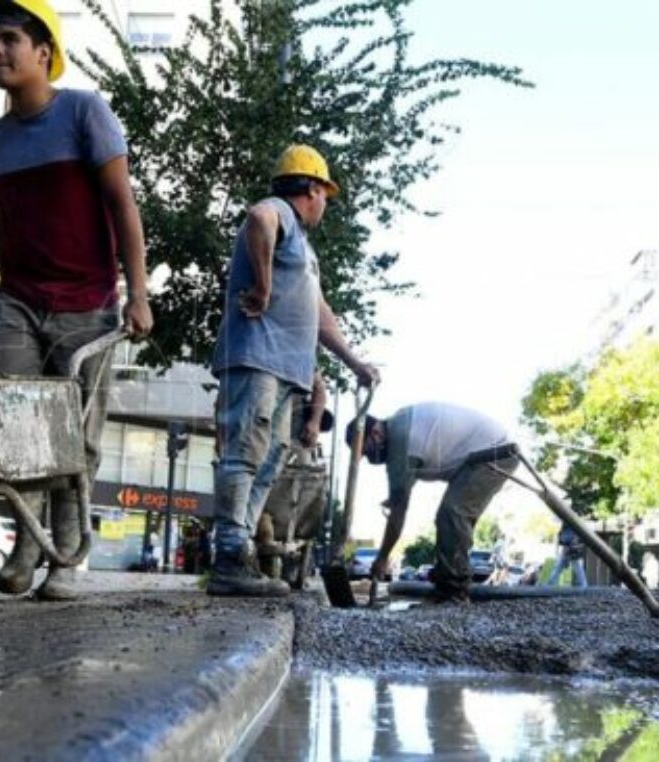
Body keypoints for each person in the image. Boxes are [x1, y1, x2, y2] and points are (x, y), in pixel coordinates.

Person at [0, 0, 153, 600]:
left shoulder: (84, 113)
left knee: (74, 439)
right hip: (19, 303)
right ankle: (26, 545)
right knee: (11, 426)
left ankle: (66, 561)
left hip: (86, 303)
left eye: (8, 40)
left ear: (43, 52)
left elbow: (121, 206)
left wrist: (139, 293)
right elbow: (6, 221)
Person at [208, 145, 378, 597]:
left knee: (268, 461)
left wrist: (355, 362)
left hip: (286, 371)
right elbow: (257, 219)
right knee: (245, 453)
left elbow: (321, 317)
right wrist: (263, 288)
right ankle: (227, 556)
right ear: (312, 188)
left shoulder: (304, 248)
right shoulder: (279, 211)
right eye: (325, 193)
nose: (326, 203)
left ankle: (237, 554)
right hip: (257, 358)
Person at [346, 402, 518, 603]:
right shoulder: (398, 426)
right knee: (450, 514)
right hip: (479, 453)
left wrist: (382, 556)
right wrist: (395, 499)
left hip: (495, 453)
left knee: (453, 512)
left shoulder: (399, 444)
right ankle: (446, 585)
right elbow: (400, 495)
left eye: (365, 451)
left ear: (375, 432)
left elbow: (398, 513)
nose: (368, 458)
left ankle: (454, 593)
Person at [546, 522, 588, 588]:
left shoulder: (575, 529)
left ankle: (584, 586)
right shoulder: (567, 527)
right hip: (568, 550)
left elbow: (563, 538)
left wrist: (571, 546)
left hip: (573, 551)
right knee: (558, 567)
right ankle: (550, 585)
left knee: (577, 569)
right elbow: (561, 537)